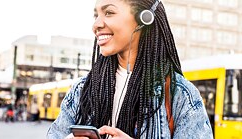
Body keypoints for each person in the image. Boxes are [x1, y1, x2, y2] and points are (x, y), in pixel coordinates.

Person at [47, 0, 213, 139]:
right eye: (96, 15)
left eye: (109, 13)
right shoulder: (81, 90)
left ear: (144, 18)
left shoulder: (180, 95)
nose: (96, 24)